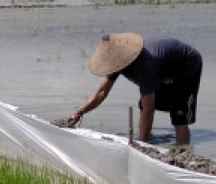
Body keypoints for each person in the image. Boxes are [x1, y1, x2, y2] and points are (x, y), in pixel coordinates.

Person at [67, 33, 203, 145]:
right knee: (143, 104)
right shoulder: (118, 62)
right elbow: (101, 93)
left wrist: (141, 145)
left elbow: (149, 110)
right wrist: (80, 112)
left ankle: (184, 149)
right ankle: (148, 137)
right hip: (165, 67)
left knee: (179, 114)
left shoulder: (144, 66)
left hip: (188, 66)